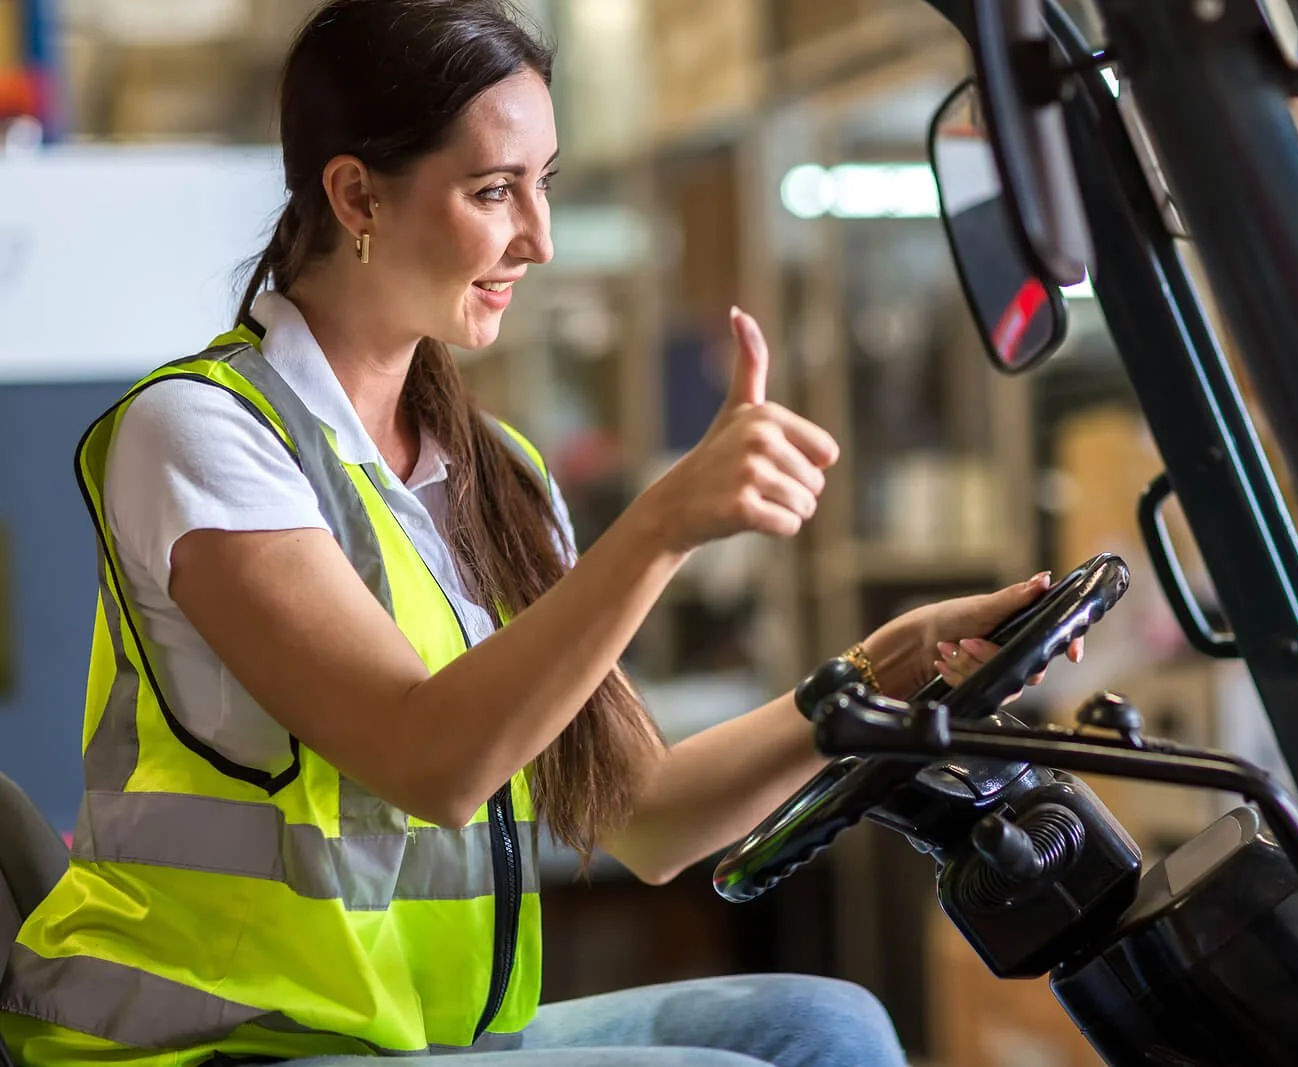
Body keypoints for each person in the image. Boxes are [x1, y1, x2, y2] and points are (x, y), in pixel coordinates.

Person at [0, 2, 1082, 1064]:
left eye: (544, 183)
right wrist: (663, 524)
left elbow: (646, 819)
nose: (540, 237)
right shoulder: (199, 429)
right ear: (354, 193)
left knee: (826, 1023)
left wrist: (887, 665)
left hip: (413, 1040)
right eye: (492, 189)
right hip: (219, 1041)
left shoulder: (498, 474)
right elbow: (430, 759)